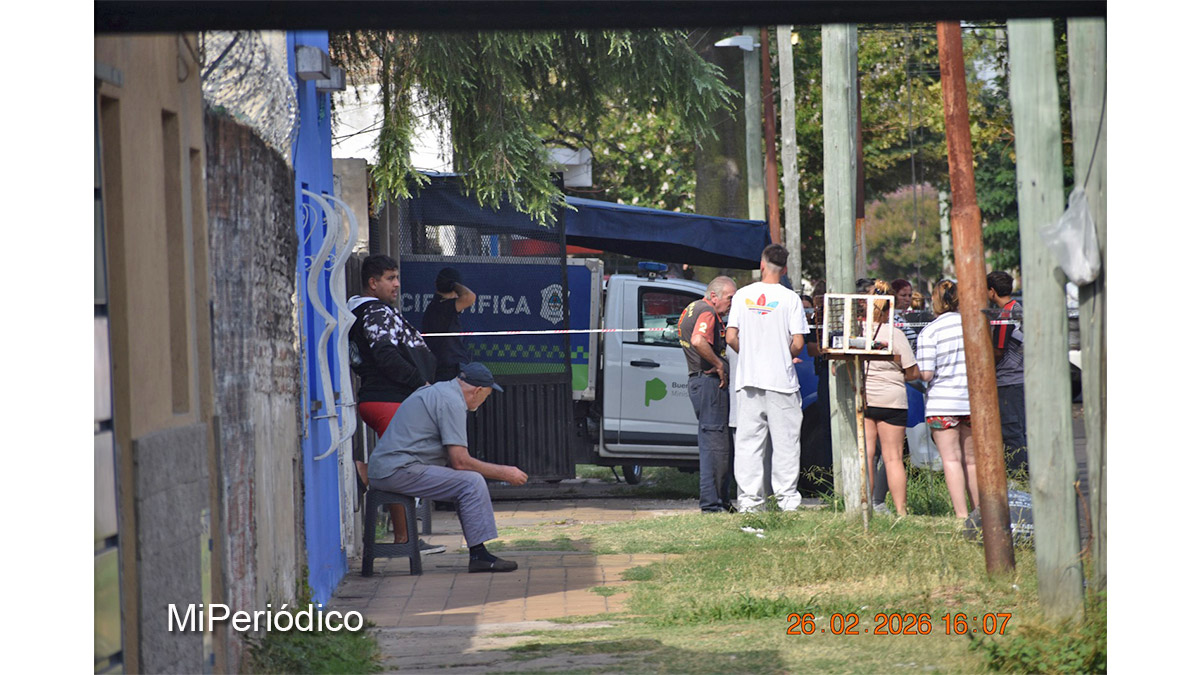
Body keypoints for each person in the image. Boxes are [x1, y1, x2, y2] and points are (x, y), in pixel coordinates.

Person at [368, 362, 528, 573]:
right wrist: (506, 473)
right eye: (486, 396)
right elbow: (460, 461)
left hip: (391, 468)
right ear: (477, 391)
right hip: (398, 470)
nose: (484, 401)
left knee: (466, 482)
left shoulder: (440, 391)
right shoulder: (452, 401)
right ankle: (479, 556)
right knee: (471, 482)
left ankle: (479, 553)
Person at [348, 254, 442, 553]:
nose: (397, 284)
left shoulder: (369, 311)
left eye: (397, 277)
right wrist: (421, 383)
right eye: (390, 278)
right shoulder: (376, 312)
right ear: (372, 283)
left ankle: (404, 533)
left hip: (383, 399)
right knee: (401, 467)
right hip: (388, 399)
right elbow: (386, 356)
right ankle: (404, 537)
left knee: (403, 464)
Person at [726, 244, 810, 512]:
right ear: (784, 269)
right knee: (786, 444)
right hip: (781, 382)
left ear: (762, 265)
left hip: (748, 380)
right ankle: (787, 502)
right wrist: (781, 355)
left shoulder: (742, 295)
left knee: (748, 444)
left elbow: (730, 337)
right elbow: (798, 341)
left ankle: (749, 504)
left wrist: (751, 354)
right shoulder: (791, 299)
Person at [916, 279, 978, 520]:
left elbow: (926, 373)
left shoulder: (930, 331)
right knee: (972, 462)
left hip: (942, 404)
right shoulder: (974, 326)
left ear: (935, 301)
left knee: (951, 460)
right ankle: (979, 512)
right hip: (971, 402)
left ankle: (962, 516)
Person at [678, 276, 737, 513]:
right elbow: (698, 340)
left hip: (699, 382)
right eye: (730, 298)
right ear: (714, 296)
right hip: (709, 384)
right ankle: (712, 505)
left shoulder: (692, 308)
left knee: (714, 443)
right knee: (716, 446)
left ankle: (720, 501)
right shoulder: (707, 311)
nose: (732, 303)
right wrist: (719, 364)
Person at [862, 280, 919, 517]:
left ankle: (864, 509)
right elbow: (912, 372)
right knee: (893, 458)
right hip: (894, 401)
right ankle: (901, 511)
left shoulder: (857, 333)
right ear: (887, 309)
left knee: (866, 455)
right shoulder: (896, 334)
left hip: (866, 400)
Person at [986, 270, 1027, 474]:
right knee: (1021, 430)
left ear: (991, 291)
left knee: (1012, 433)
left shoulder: (1006, 315)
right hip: (1020, 378)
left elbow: (998, 350)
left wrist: (983, 371)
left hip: (1009, 380)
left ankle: (1018, 475)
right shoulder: (1017, 308)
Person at [422, 267, 477, 383]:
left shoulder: (436, 307)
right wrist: (453, 285)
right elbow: (469, 297)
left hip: (447, 368)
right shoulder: (442, 307)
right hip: (447, 371)